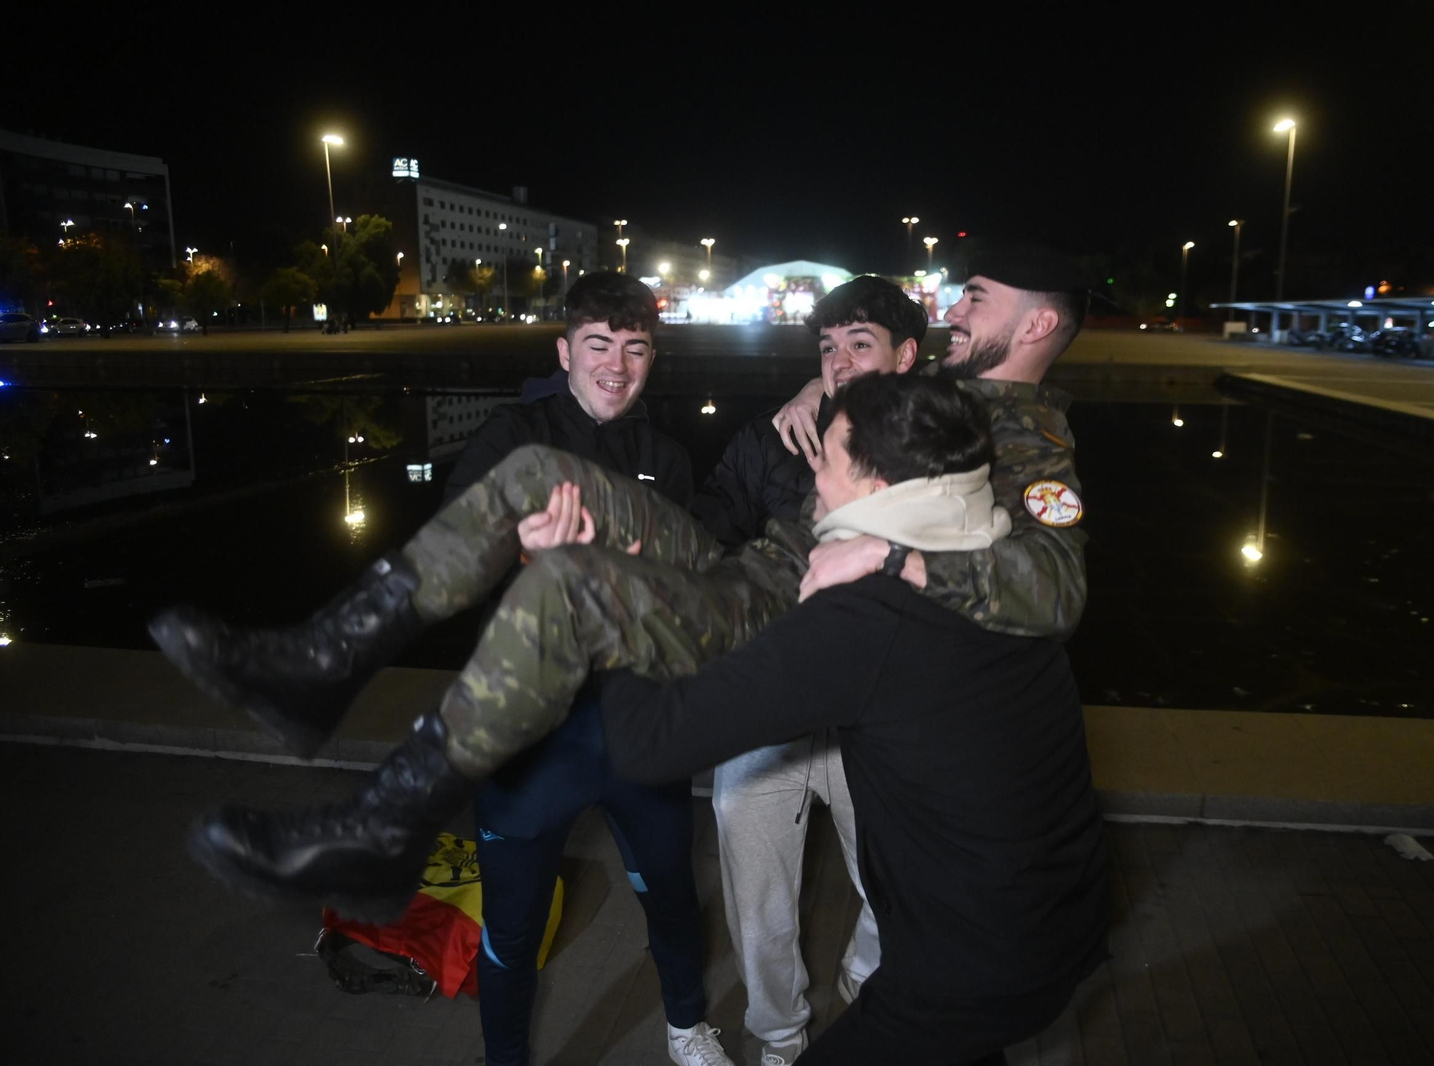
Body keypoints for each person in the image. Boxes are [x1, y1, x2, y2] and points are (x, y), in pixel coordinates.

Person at [151, 243, 1090, 925]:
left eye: (976, 295)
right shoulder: (924, 393)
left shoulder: (1031, 433)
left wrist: (894, 557)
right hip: (746, 560)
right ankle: (324, 660)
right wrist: (824, 390)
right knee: (532, 475)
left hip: (775, 609)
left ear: (1037, 324)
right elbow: (859, 412)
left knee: (569, 590)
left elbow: (1055, 588)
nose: (956, 306)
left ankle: (384, 827)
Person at [604, 371, 1109, 1065]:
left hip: (961, 970)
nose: (812, 466)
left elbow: (644, 742)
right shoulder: (995, 567)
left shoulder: (867, 616)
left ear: (878, 490)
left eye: (829, 457)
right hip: (1059, 926)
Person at [441, 273, 728, 1066]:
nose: (617, 365)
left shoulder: (665, 458)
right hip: (530, 735)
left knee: (671, 893)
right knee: (513, 926)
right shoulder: (514, 436)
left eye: (636, 349)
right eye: (599, 345)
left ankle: (686, 1024)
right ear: (565, 350)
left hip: (637, 725)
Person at [688, 275, 923, 1065]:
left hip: (875, 718)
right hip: (769, 705)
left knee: (896, 885)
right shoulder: (771, 439)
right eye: (826, 348)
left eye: (862, 344)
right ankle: (777, 1036)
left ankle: (865, 989)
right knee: (755, 897)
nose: (840, 362)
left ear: (907, 356)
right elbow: (712, 519)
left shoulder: (942, 447)